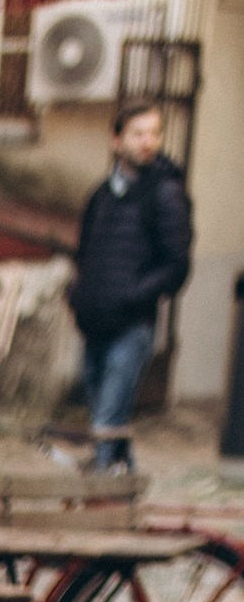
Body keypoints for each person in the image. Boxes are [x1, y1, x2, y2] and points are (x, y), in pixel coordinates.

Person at [71, 100, 193, 469]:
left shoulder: (165, 192)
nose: (148, 142)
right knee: (110, 420)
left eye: (154, 133)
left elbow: (176, 265)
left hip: (132, 325)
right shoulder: (102, 194)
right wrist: (79, 297)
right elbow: (85, 253)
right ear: (117, 140)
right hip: (94, 322)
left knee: (106, 421)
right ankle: (122, 485)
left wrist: (132, 296)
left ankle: (101, 487)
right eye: (138, 134)